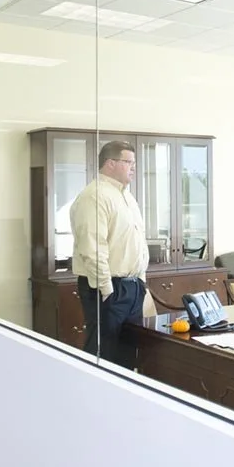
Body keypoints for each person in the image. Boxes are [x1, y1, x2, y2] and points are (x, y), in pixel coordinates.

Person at [69, 140, 149, 367]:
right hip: (107, 287)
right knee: (103, 354)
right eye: (128, 162)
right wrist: (106, 289)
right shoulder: (94, 196)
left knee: (127, 355)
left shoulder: (127, 197)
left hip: (132, 287)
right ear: (110, 163)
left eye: (134, 162)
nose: (133, 167)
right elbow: (93, 249)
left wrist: (140, 281)